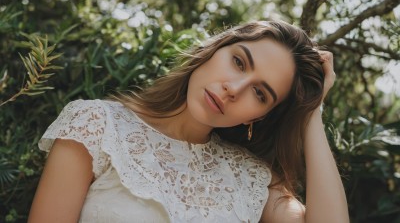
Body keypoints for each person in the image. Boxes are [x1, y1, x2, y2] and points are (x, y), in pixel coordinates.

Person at [28, 20, 349, 222]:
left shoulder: (253, 179)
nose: (233, 89)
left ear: (261, 115)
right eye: (238, 62)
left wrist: (312, 111)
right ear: (214, 49)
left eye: (260, 94)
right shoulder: (96, 124)